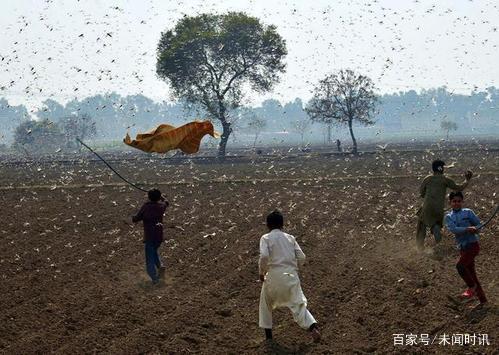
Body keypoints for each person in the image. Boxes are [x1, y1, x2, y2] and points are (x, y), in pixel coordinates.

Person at [258, 210, 321, 343]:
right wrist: (294, 268)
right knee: (298, 305)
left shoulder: (266, 238)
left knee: (265, 304)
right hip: (291, 275)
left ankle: (269, 337)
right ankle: (313, 327)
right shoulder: (290, 238)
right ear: (282, 224)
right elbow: (302, 257)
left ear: (268, 225)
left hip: (273, 276)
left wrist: (262, 273)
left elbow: (264, 256)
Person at [416, 160, 473, 251]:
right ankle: (436, 231)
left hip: (427, 206)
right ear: (441, 168)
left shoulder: (428, 179)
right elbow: (459, 187)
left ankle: (420, 246)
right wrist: (467, 180)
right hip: (439, 208)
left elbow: (421, 193)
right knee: (435, 222)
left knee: (422, 223)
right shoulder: (445, 179)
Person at [444, 191, 487, 305]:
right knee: (472, 274)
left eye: (459, 201)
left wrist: (476, 228)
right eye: (454, 201)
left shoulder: (468, 212)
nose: (457, 203)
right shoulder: (448, 217)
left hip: (472, 246)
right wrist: (468, 229)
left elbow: (479, 225)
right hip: (463, 248)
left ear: (462, 202)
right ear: (450, 202)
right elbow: (453, 229)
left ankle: (471, 288)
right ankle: (483, 300)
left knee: (460, 266)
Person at [132, 188, 169, 284]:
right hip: (158, 236)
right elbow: (166, 202)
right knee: (154, 251)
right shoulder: (161, 207)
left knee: (149, 258)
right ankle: (160, 266)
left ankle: (154, 278)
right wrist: (162, 197)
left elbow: (136, 218)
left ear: (149, 197)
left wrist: (133, 218)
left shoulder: (146, 207)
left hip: (149, 236)